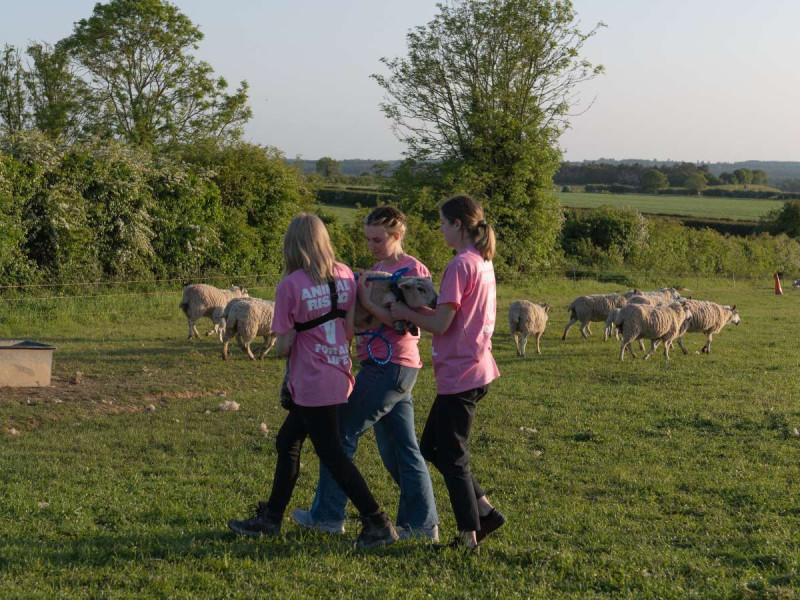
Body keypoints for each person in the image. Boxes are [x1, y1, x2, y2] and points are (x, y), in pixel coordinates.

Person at [227, 213, 398, 550]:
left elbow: (285, 346)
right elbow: (348, 330)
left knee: (332, 454)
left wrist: (295, 337)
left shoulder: (291, 285)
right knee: (287, 441)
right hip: (337, 372)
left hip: (310, 381)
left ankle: (377, 521)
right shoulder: (345, 274)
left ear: (292, 244)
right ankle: (271, 518)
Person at [292, 206, 440, 541]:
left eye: (378, 239)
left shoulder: (412, 268)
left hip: (390, 365)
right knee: (401, 449)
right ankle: (422, 525)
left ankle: (328, 516)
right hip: (388, 366)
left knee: (341, 434)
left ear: (397, 235)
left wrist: (366, 302)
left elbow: (409, 324)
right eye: (368, 239)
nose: (372, 245)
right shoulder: (376, 269)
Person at [390, 195, 505, 551]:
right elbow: (451, 312)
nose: (439, 229)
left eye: (442, 223)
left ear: (458, 224)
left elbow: (441, 323)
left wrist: (404, 312)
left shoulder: (460, 264)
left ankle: (469, 537)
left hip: (461, 372)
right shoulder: (481, 261)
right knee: (432, 447)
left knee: (452, 456)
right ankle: (485, 510)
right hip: (474, 366)